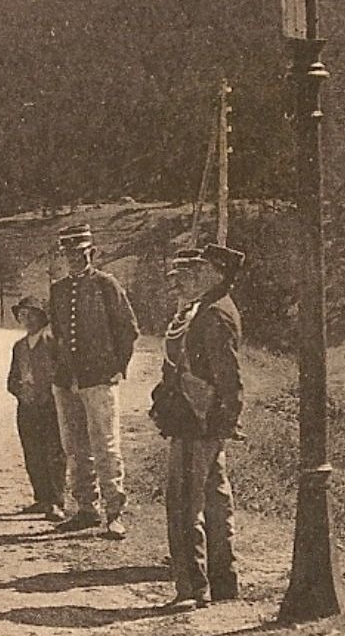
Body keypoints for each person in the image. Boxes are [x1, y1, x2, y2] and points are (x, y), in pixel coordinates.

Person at [151, 243, 246, 611]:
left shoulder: (215, 314)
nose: (197, 273)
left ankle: (191, 589)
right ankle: (223, 582)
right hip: (202, 421)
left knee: (183, 503)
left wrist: (218, 422)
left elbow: (228, 377)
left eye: (204, 269)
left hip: (198, 422)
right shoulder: (207, 309)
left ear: (218, 274)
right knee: (216, 501)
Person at [48, 222, 139, 538]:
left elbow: (128, 328)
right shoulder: (58, 290)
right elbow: (58, 335)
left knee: (106, 445)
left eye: (81, 253)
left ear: (92, 253)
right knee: (74, 445)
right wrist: (62, 372)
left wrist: (118, 367)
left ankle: (114, 512)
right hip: (67, 380)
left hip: (100, 378)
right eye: (69, 254)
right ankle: (87, 508)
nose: (75, 259)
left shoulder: (106, 285)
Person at [6, 295, 67, 522]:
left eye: (32, 314)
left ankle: (56, 501)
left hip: (51, 406)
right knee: (32, 452)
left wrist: (49, 394)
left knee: (54, 453)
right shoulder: (19, 346)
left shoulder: (52, 341)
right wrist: (21, 392)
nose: (28, 320)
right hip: (27, 407)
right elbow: (12, 379)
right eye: (23, 315)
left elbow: (62, 372)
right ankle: (41, 498)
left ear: (43, 317)